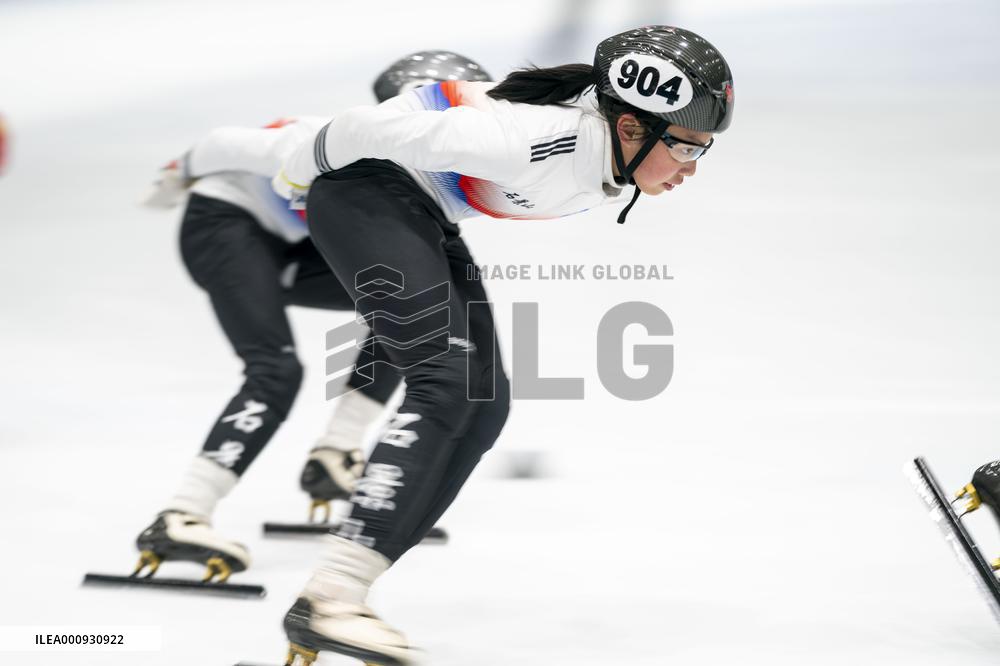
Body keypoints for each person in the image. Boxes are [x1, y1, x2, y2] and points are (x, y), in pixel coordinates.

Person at [270, 25, 735, 665]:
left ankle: (339, 592)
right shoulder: (528, 138)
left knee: (485, 402)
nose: (690, 168)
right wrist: (293, 185)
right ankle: (331, 601)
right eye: (685, 147)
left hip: (421, 210)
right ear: (631, 127)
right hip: (363, 193)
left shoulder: (602, 144)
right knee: (446, 381)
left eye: (702, 150)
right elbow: (357, 128)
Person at [132, 52, 492, 584]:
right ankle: (181, 514)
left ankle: (335, 453)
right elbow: (223, 143)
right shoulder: (331, 139)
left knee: (407, 311)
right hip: (225, 224)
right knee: (275, 370)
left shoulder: (422, 169)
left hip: (285, 245)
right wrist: (176, 173)